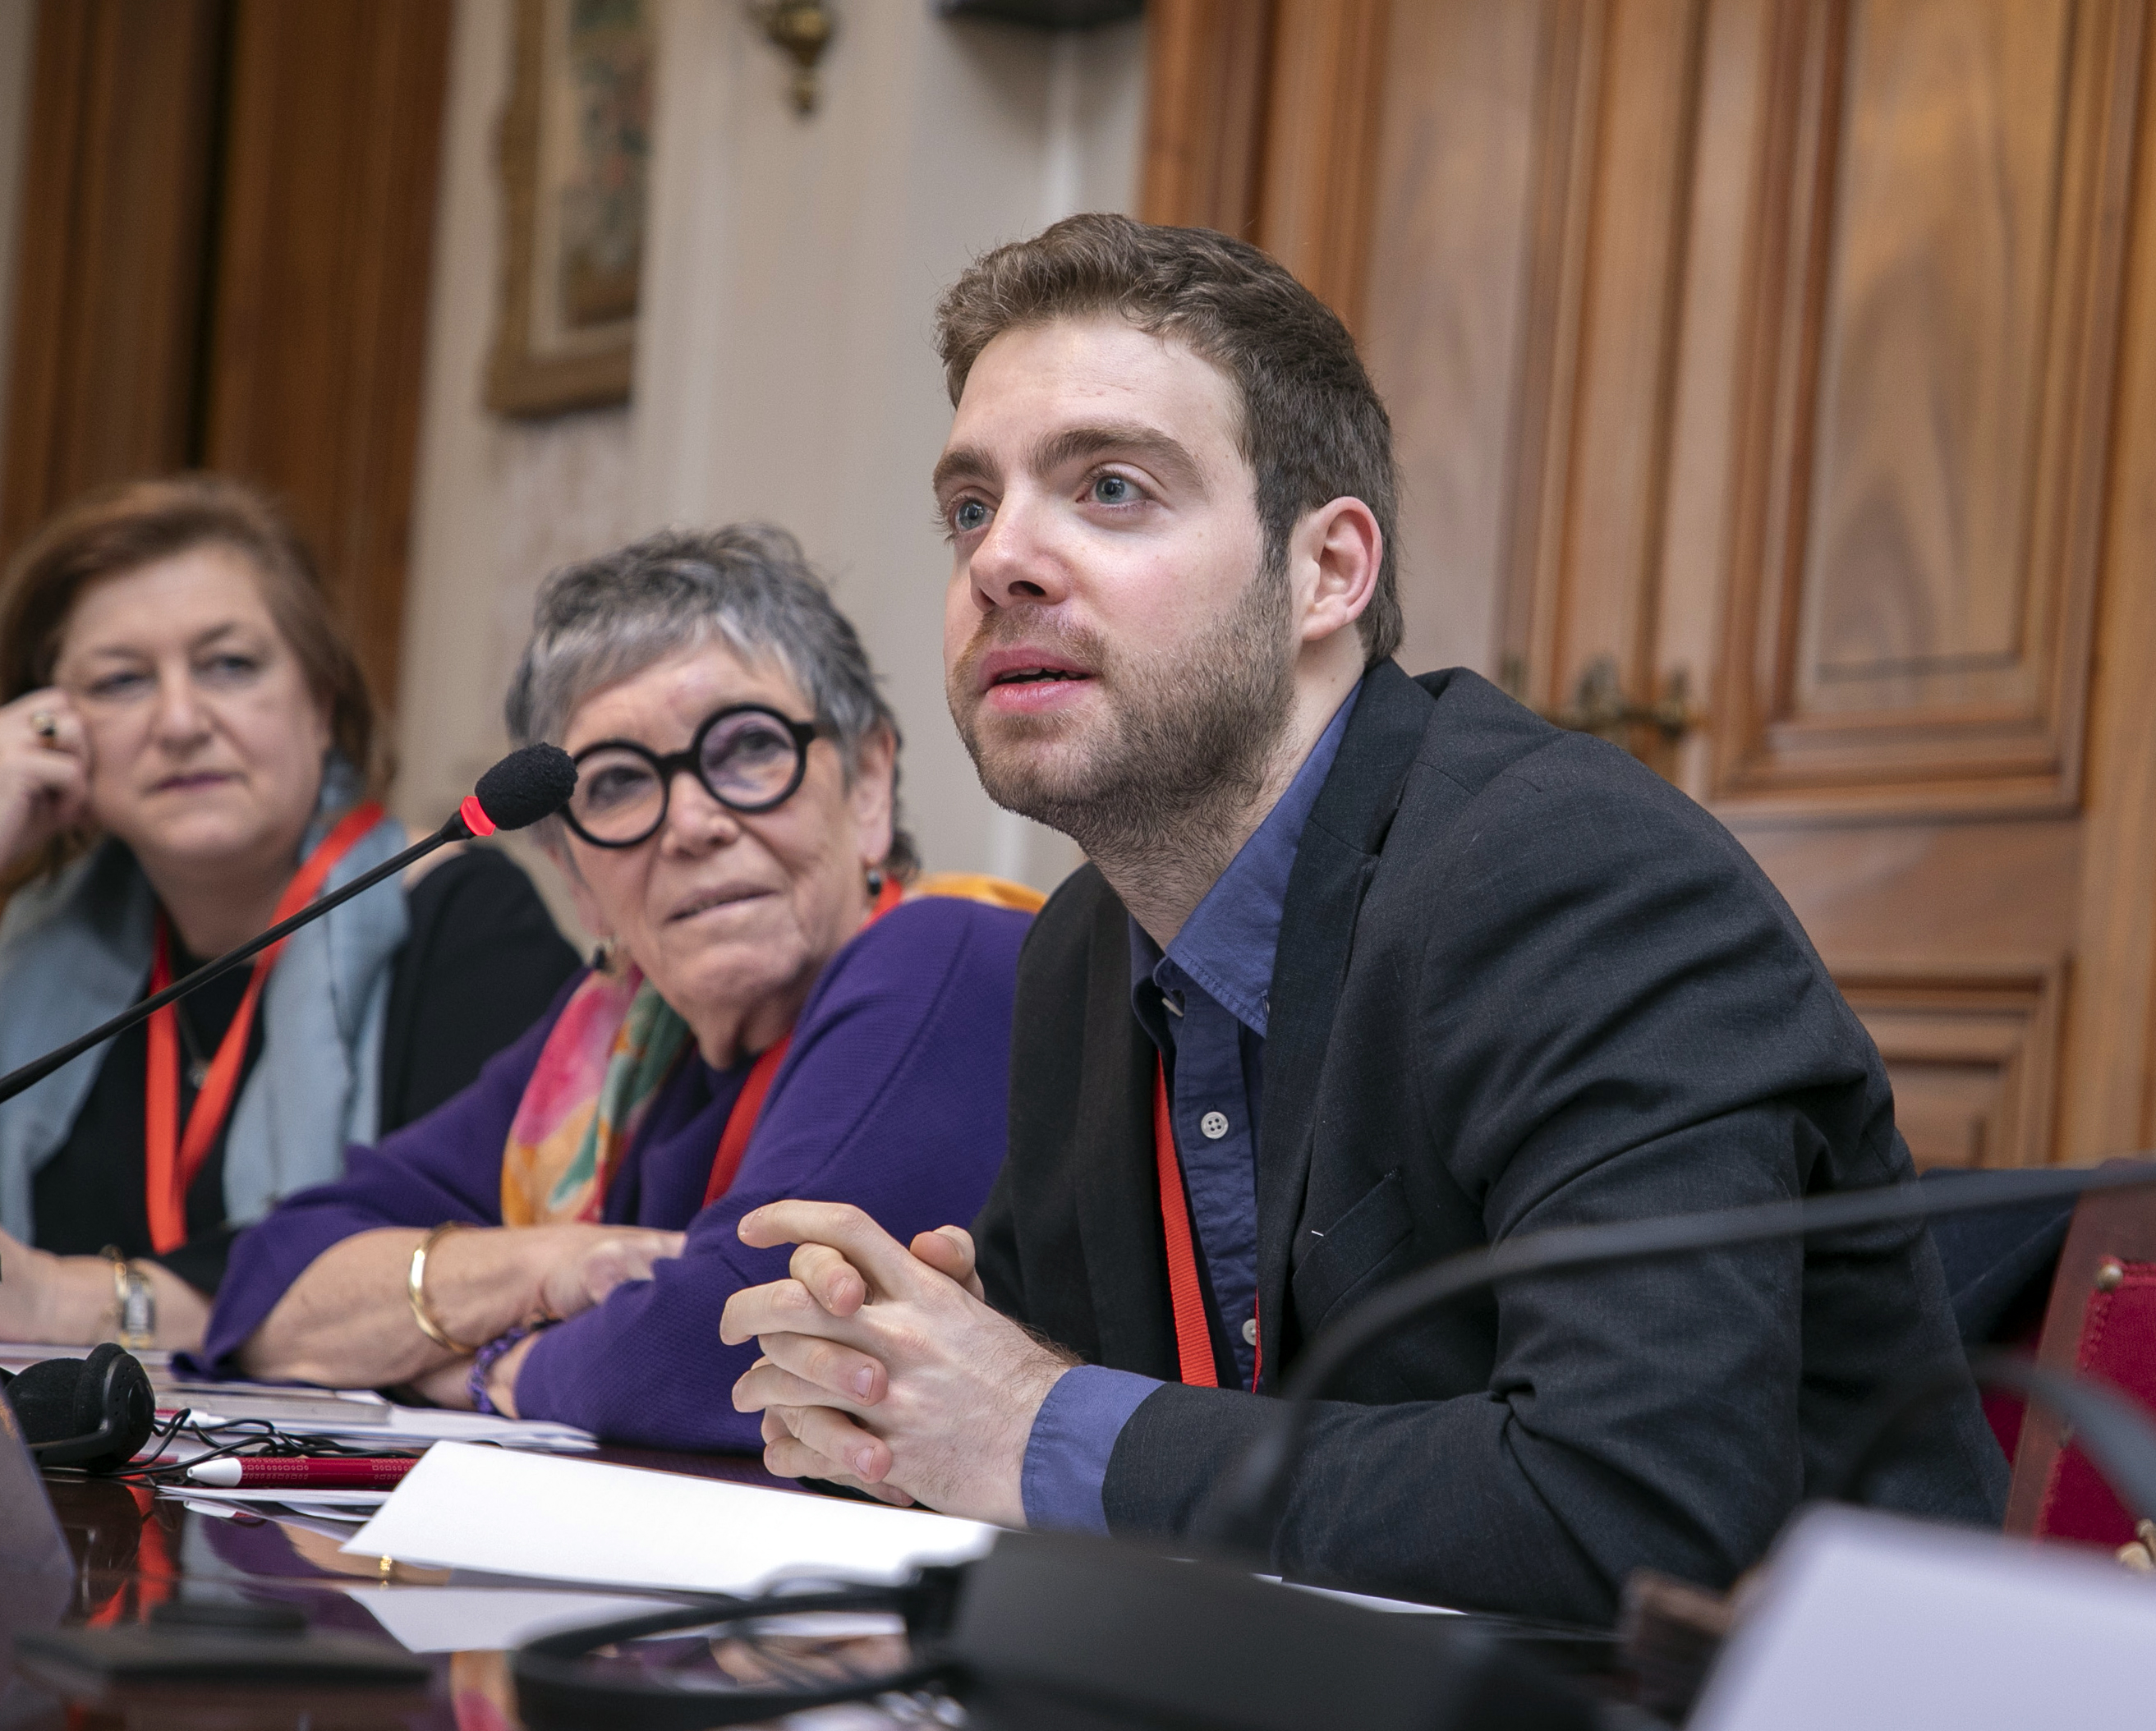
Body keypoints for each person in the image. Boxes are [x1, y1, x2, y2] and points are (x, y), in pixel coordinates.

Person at [720, 214, 2008, 1623]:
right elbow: (1091, 1430)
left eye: (1110, 489)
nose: (1000, 560)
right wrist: (891, 1390)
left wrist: (1029, 1421)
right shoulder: (1083, 948)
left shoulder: (1575, 877)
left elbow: (1640, 1512)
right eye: (972, 506)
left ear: (1329, 571)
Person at [205, 526, 1032, 1449]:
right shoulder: (612, 1045)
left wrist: (486, 1366)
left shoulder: (949, 957)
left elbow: (715, 1341)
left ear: (869, 783)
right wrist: (552, 1264)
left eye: (748, 747)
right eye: (618, 784)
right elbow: (272, 1280)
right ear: (574, 875)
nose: (690, 823)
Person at [0, 475, 577, 1352]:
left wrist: (71, 1299)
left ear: (324, 701)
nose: (182, 719)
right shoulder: (34, 951)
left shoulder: (468, 922)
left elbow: (473, 1269)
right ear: (51, 732)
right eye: (122, 680)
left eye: (230, 664)